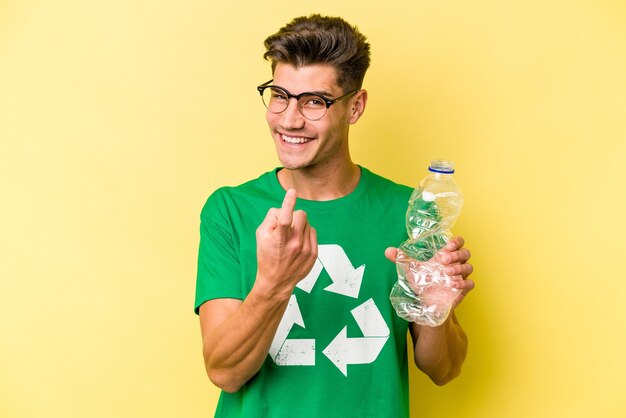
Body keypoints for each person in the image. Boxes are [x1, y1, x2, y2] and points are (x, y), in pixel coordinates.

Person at [195, 14, 475, 417]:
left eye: (315, 102)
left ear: (355, 107)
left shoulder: (412, 210)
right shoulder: (230, 209)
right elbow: (224, 371)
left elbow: (444, 369)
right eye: (279, 95)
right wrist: (274, 284)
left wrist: (431, 308)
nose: (290, 119)